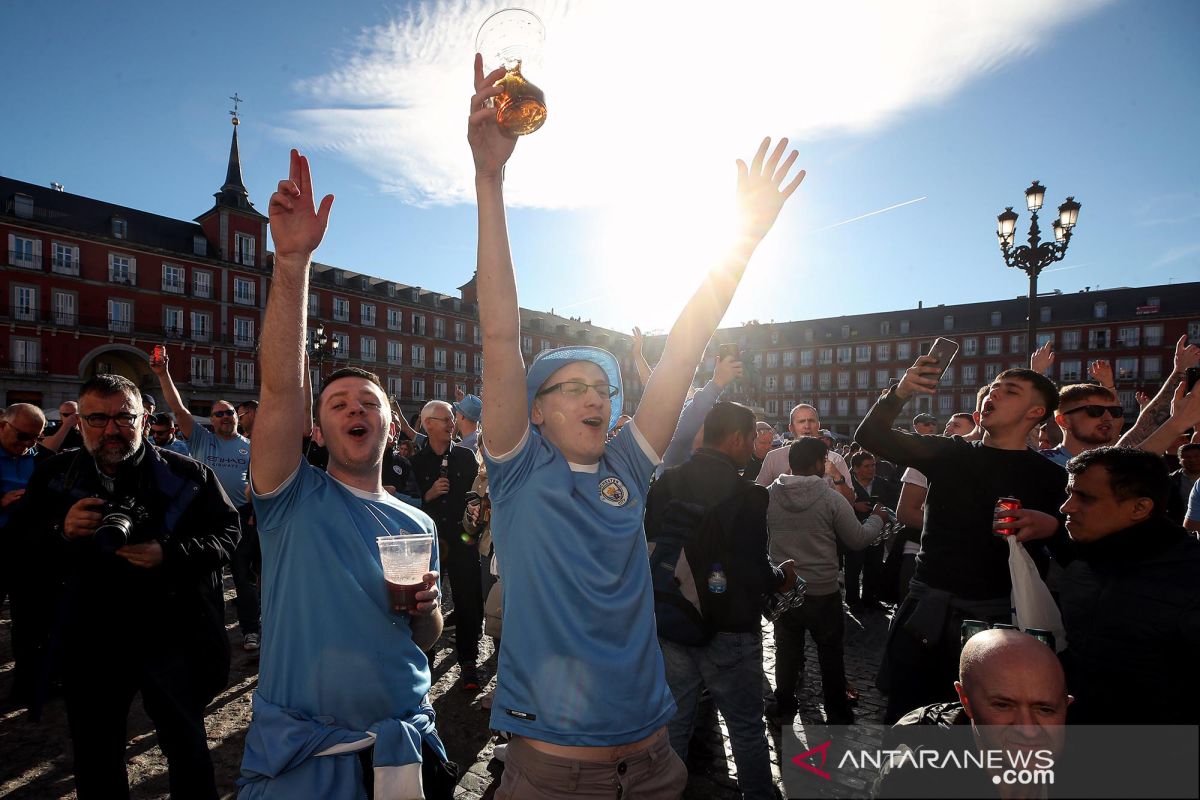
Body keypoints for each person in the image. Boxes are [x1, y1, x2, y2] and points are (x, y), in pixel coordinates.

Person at [469, 51, 805, 799]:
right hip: (554, 774)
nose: (597, 397)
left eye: (605, 387)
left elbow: (686, 345)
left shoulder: (626, 465)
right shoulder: (520, 469)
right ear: (537, 410)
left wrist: (742, 239)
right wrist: (490, 180)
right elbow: (499, 335)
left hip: (656, 765)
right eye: (574, 387)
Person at [237, 150, 453, 798]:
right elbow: (278, 390)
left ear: (392, 425)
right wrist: (293, 263)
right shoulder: (290, 496)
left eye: (370, 403)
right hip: (304, 758)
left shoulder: (417, 520)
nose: (355, 408)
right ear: (316, 428)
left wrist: (429, 610)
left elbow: (425, 637)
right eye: (338, 404)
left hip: (405, 748)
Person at [17, 375, 238, 798]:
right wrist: (59, 531)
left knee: (186, 745)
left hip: (172, 632)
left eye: (124, 417)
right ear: (79, 421)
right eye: (97, 418)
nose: (112, 429)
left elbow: (228, 536)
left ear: (145, 417)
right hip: (89, 637)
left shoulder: (188, 475)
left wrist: (169, 554)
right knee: (96, 753)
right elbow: (19, 545)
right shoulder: (52, 477)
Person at [856, 360, 1067, 723]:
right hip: (929, 611)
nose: (995, 392)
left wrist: (1053, 527)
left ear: (1036, 412)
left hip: (1002, 619)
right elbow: (871, 435)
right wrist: (903, 390)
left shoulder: (1051, 476)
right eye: (995, 386)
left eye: (1011, 390)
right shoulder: (950, 453)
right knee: (910, 719)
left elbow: (1082, 547)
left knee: (984, 728)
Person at [645, 402, 796, 799]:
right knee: (745, 727)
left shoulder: (666, 482)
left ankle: (666, 792)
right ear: (734, 439)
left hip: (673, 617)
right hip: (729, 628)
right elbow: (750, 568)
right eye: (750, 439)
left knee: (674, 720)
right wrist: (781, 578)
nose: (752, 447)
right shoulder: (749, 495)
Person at [1058, 447, 1200, 724]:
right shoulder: (1081, 562)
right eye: (1069, 493)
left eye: (1085, 498)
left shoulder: (1190, 577)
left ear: (1140, 508)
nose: (1067, 507)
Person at [768, 437, 887, 725]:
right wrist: (879, 519)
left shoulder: (769, 494)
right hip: (823, 589)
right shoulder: (830, 497)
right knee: (830, 652)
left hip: (785, 587)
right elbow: (858, 539)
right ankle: (837, 709)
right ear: (819, 463)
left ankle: (783, 702)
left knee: (786, 650)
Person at [874, 628, 1071, 799]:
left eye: (1045, 709)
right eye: (1003, 705)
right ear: (966, 701)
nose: (1028, 729)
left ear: (1066, 705)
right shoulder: (916, 780)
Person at [152, 352, 260, 650]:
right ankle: (202, 633)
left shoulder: (250, 446)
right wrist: (163, 374)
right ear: (211, 421)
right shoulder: (200, 439)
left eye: (229, 413)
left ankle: (251, 631)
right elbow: (177, 406)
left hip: (240, 519)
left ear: (237, 418)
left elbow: (259, 482)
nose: (225, 417)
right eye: (219, 414)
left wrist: (255, 509)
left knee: (243, 579)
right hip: (205, 520)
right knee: (201, 580)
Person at [410, 399, 481, 690]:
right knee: (426, 604)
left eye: (452, 418)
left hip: (463, 540)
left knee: (469, 602)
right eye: (446, 419)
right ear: (428, 424)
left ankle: (468, 661)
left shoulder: (466, 457)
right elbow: (406, 504)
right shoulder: (414, 463)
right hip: (429, 546)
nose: (453, 423)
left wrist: (477, 506)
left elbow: (478, 492)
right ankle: (424, 663)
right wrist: (427, 495)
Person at [0, 403, 52, 705]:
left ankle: (28, 683)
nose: (27, 444)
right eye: (22, 436)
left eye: (35, 437)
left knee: (30, 620)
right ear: (3, 425)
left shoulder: (42, 459)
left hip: (30, 548)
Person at [756, 404, 855, 504]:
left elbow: (850, 501)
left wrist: (837, 476)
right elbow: (759, 496)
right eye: (801, 421)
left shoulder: (836, 459)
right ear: (791, 428)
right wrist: (782, 481)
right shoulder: (773, 457)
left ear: (818, 426)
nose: (807, 426)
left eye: (811, 421)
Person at [847, 450, 897, 610]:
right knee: (853, 567)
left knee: (874, 566)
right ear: (855, 468)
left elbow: (895, 502)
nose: (872, 469)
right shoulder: (847, 484)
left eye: (873, 465)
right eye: (867, 466)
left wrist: (885, 509)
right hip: (853, 531)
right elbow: (836, 503)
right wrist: (854, 505)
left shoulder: (882, 483)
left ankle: (871, 598)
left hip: (877, 532)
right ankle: (853, 601)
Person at [1040, 383, 1124, 467]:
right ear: (1064, 421)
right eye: (1095, 410)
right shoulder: (1039, 464)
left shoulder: (1121, 466)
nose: (1109, 417)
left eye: (1114, 411)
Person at [1168, 443, 1200, 525]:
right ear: (1179, 460)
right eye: (1187, 457)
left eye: (1197, 456)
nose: (1192, 460)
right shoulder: (1171, 480)